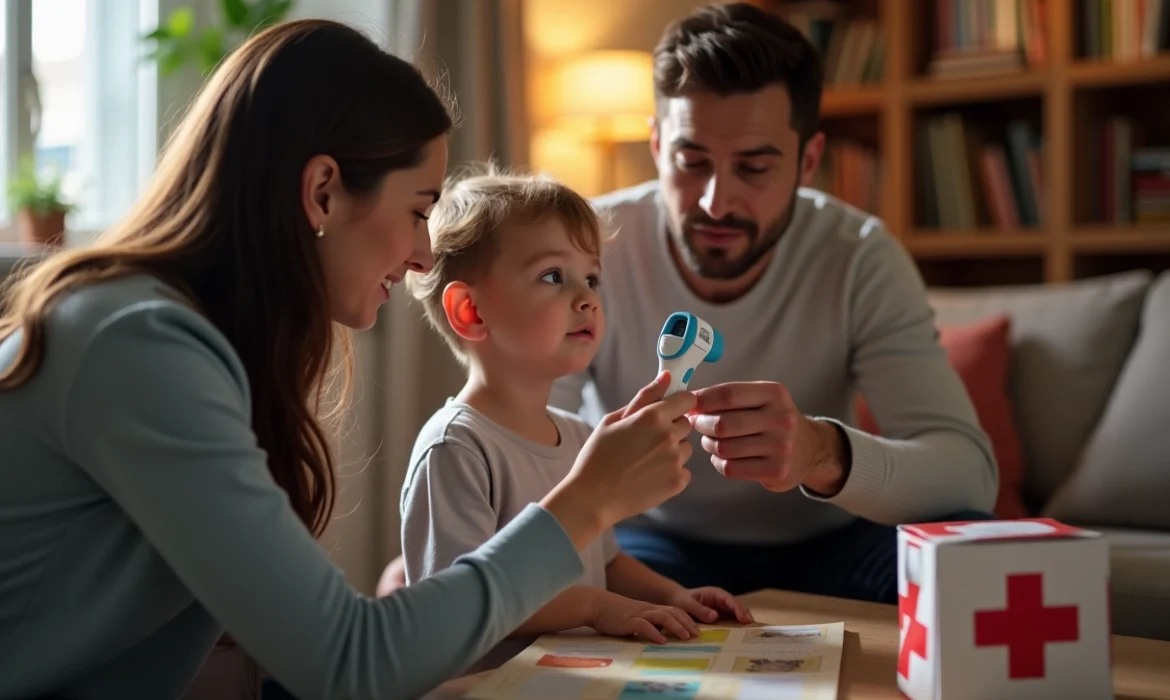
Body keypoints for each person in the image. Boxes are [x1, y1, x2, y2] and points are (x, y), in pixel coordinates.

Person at [0, 20, 699, 700]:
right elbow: (351, 665)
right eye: (419, 208)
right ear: (323, 190)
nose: (425, 254)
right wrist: (586, 500)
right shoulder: (139, 347)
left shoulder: (187, 341)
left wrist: (435, 610)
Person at [379, 2, 997, 606]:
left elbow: (969, 476)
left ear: (809, 161)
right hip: (652, 543)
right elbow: (526, 440)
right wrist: (465, 572)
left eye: (754, 167)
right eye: (690, 161)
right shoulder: (584, 247)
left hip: (832, 542)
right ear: (655, 144)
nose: (714, 202)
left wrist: (819, 452)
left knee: (980, 562)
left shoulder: (860, 257)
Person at [398, 167, 754, 671]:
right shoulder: (457, 448)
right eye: (552, 276)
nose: (587, 297)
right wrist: (596, 608)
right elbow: (459, 605)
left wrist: (674, 595)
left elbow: (604, 561)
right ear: (471, 311)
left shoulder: (580, 436)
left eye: (591, 278)